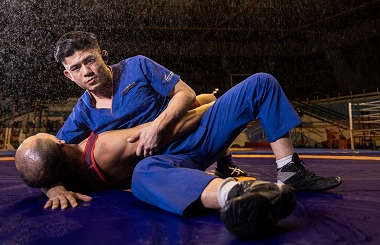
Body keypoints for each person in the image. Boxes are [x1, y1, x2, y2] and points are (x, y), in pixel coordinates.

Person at [16, 87, 296, 239]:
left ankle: (254, 184)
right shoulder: (101, 146)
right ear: (60, 142)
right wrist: (218, 106)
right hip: (173, 156)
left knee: (145, 173)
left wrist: (52, 190)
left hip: (172, 163)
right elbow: (165, 132)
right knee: (145, 172)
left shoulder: (59, 176)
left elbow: (35, 167)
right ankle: (238, 195)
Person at [53, 31, 248, 178]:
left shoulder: (137, 66)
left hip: (181, 136)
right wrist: (54, 189)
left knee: (205, 100)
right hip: (152, 162)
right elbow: (52, 153)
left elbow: (186, 93)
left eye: (90, 60)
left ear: (103, 56)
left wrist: (157, 127)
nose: (86, 71)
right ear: (68, 75)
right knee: (207, 101)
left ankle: (225, 162)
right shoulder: (82, 112)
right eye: (76, 68)